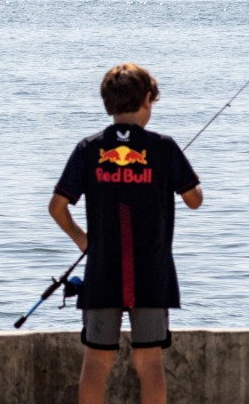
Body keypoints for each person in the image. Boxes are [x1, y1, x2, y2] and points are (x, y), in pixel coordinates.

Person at [49, 63, 203, 404]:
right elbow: (195, 200)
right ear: (148, 99)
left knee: (97, 360)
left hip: (103, 272)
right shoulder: (163, 147)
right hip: (151, 273)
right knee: (148, 360)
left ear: (108, 103)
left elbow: (57, 206)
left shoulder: (89, 149)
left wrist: (83, 241)